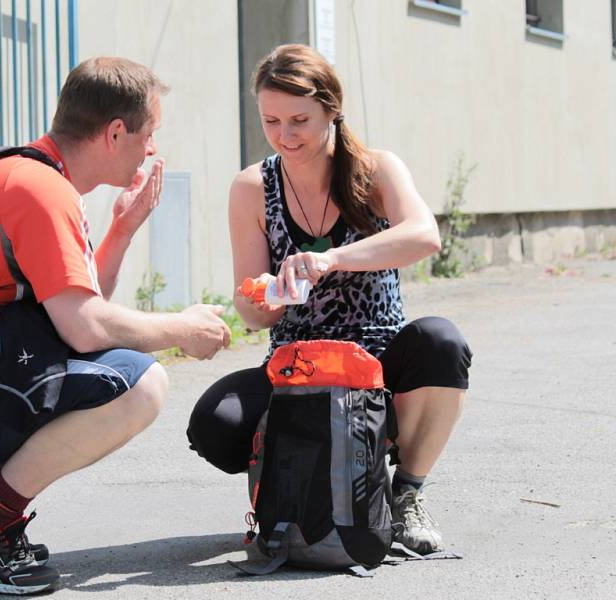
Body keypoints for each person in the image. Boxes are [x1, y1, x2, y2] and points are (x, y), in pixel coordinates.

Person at [0, 57, 231, 595]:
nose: (153, 148)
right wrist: (181, 328)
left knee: (121, 370)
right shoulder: (41, 192)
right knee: (141, 385)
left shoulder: (31, 175)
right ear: (115, 132)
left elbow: (82, 313)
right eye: (150, 133)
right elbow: (87, 329)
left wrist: (122, 227)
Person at [186, 44, 472, 556]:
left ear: (332, 110)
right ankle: (303, 477)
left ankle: (405, 491)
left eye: (299, 120)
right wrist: (271, 294)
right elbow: (252, 311)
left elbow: (425, 235)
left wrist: (330, 259)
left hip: (378, 361)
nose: (285, 136)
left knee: (441, 341)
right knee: (215, 424)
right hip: (297, 365)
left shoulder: (375, 169)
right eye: (271, 121)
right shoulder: (253, 187)